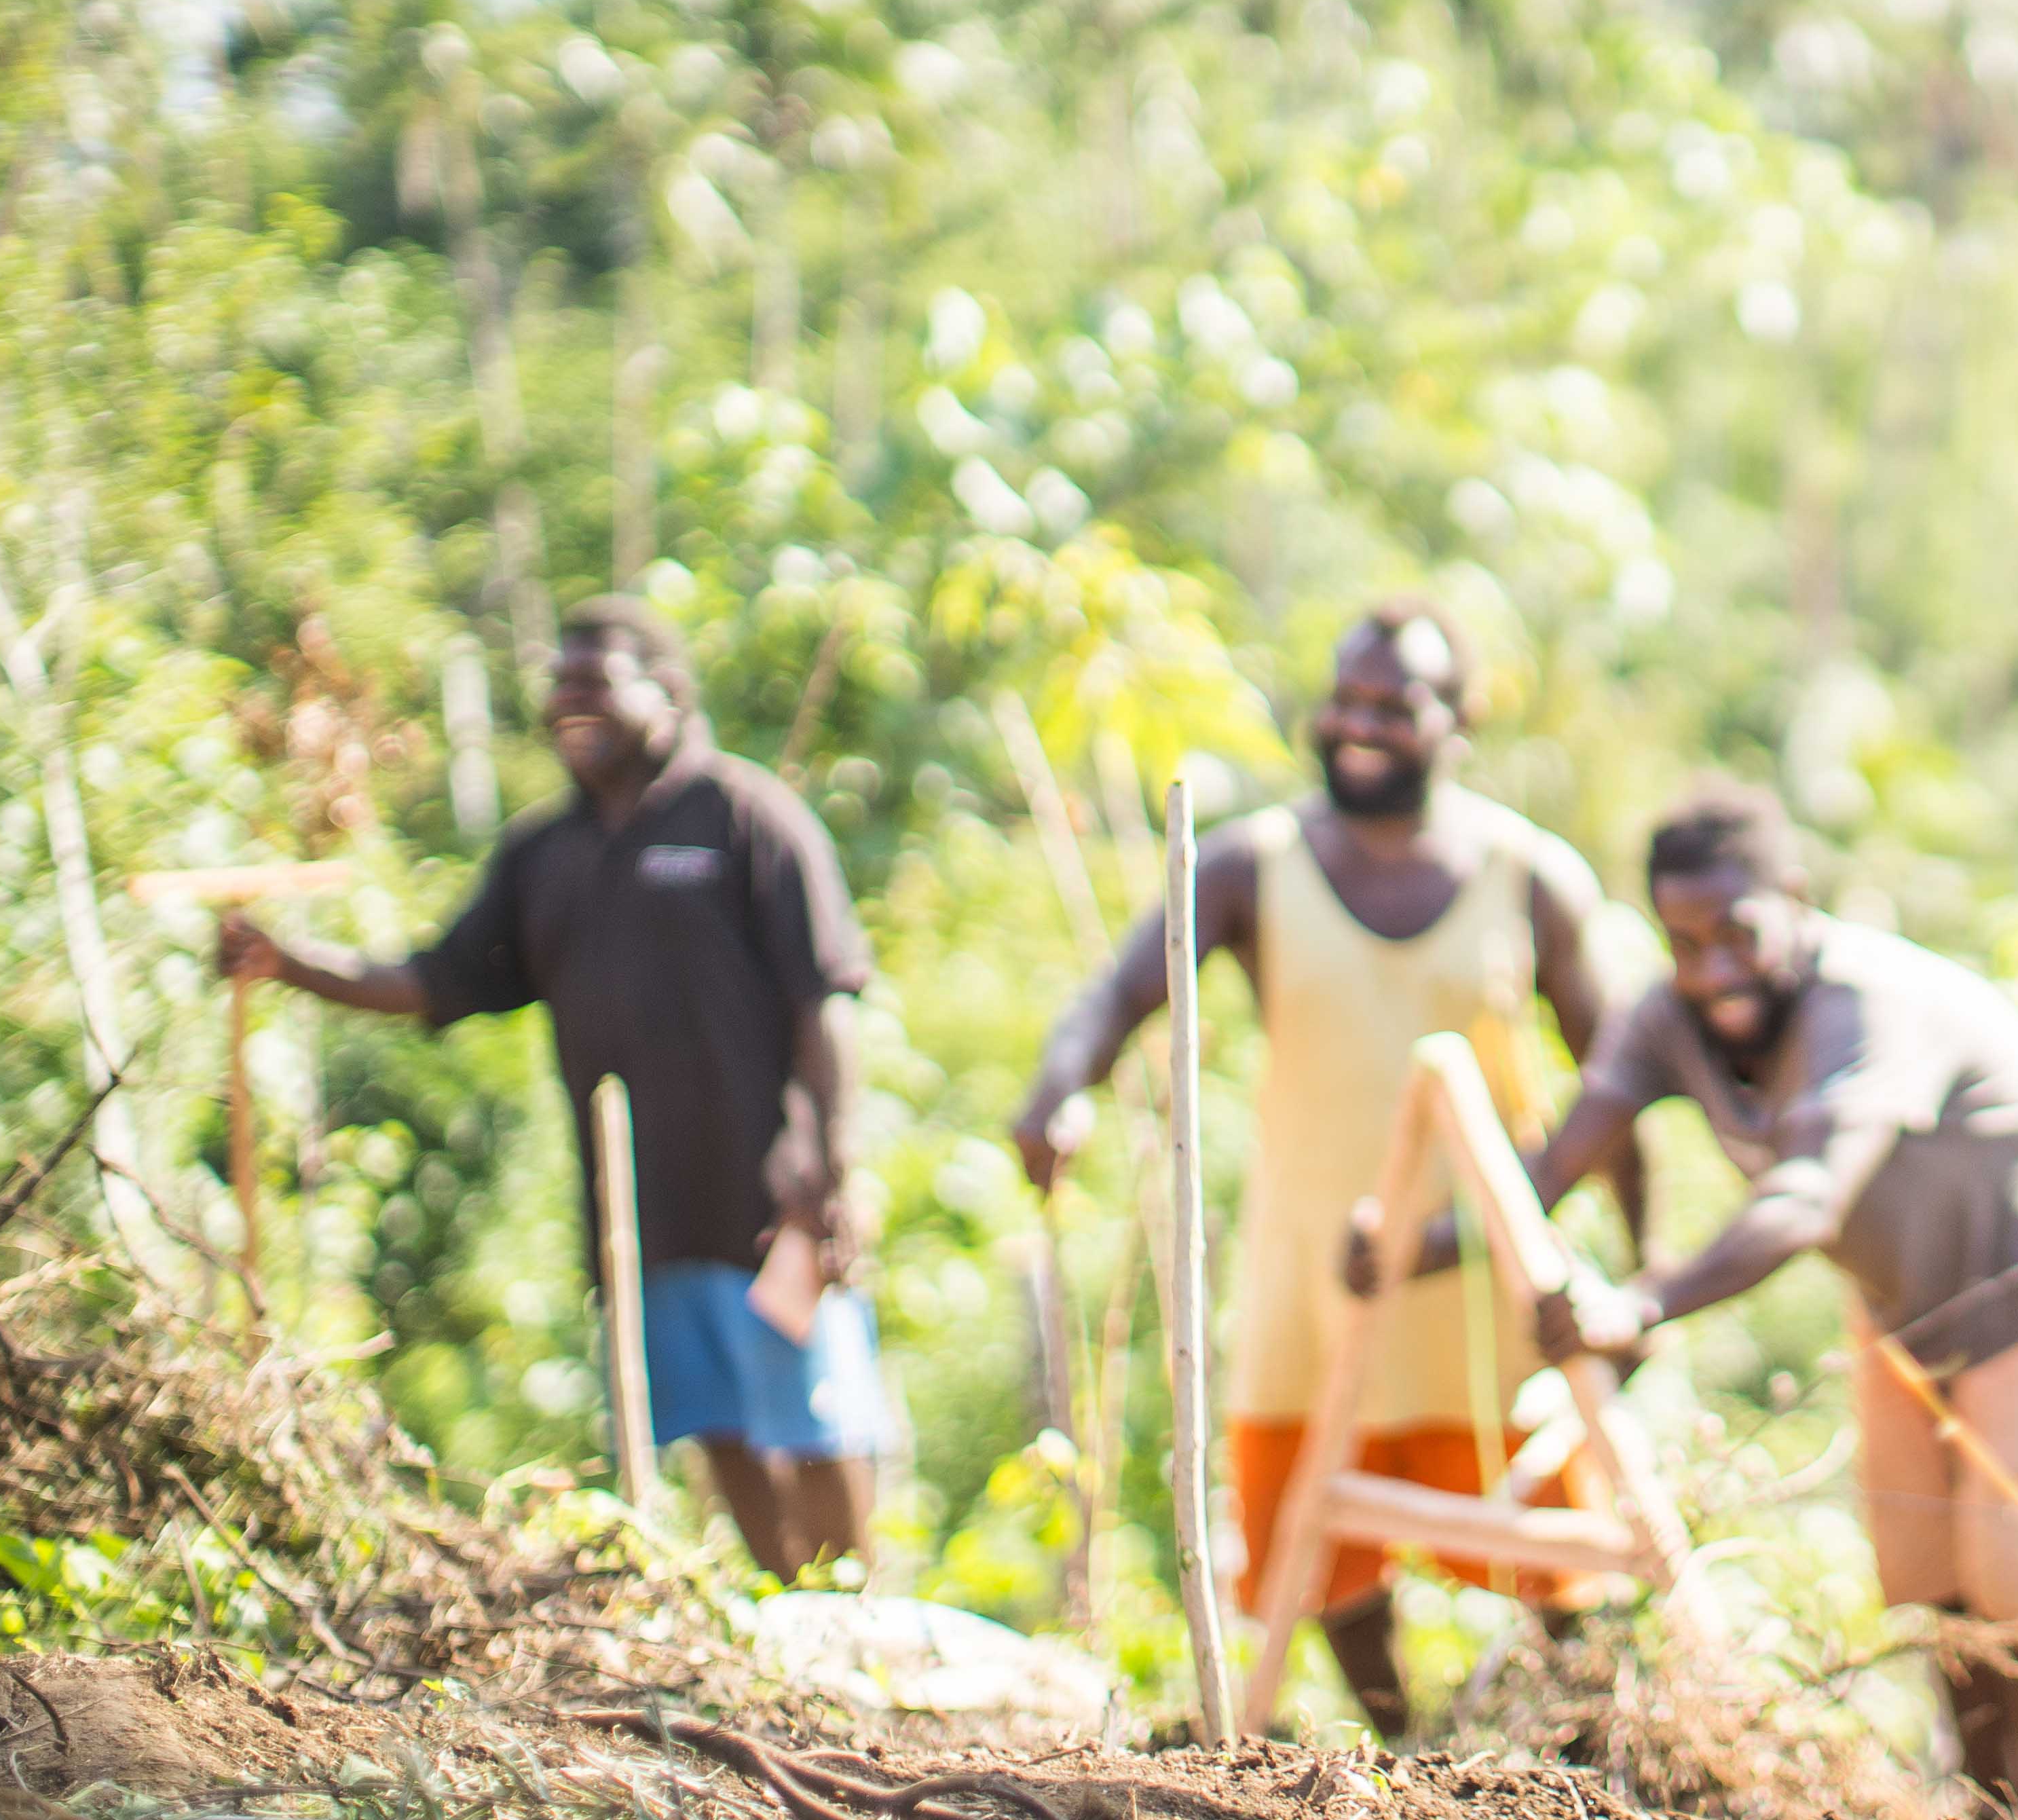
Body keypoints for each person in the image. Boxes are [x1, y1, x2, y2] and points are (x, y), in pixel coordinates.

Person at [1011, 602, 1640, 1740]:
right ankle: (1410, 1755)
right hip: (1320, 1268)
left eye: (1394, 706)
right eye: (1345, 699)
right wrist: (1060, 1090)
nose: (1360, 726)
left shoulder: (1527, 877)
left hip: (1483, 1276)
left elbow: (1616, 1087)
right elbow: (1118, 992)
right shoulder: (1258, 863)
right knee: (1324, 1543)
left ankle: (1606, 1761)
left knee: (1559, 1556)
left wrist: (1638, 1280)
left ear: (1459, 721)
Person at [1515, 787, 2018, 1820]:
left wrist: (1643, 1302)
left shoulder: (1864, 1005)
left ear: (1795, 899)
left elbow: (1805, 1204)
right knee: (1925, 1567)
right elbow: (1563, 1153)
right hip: (1901, 1300)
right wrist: (1411, 1238)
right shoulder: (1672, 1016)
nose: (1712, 970)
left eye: (1736, 936)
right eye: (1684, 944)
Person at [224, 597, 884, 1579]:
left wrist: (827, 1159)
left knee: (815, 1410)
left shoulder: (747, 819)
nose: (568, 706)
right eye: (557, 687)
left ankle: (855, 1612)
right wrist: (289, 964)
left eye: (594, 685)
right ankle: (793, 1608)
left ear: (664, 694)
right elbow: (440, 977)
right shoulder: (546, 857)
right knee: (710, 1415)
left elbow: (825, 997)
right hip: (643, 1214)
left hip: (772, 1202)